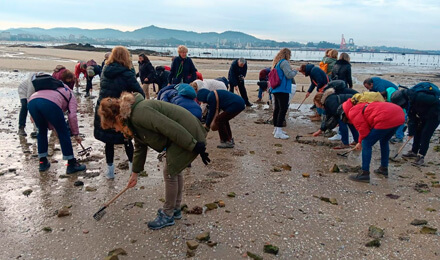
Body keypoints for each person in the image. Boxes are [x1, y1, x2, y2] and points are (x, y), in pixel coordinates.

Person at [98, 92, 209, 230]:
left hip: (187, 131)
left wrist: (193, 145)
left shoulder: (140, 113)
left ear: (117, 117)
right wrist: (135, 173)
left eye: (113, 126)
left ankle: (168, 214)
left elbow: (169, 127)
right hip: (183, 133)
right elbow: (140, 146)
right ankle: (175, 209)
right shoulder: (131, 120)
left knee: (170, 171)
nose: (115, 130)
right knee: (174, 169)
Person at [94, 46, 145, 179]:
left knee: (108, 141)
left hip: (104, 107)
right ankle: (132, 170)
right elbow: (140, 92)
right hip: (118, 110)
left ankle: (110, 172)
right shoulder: (127, 73)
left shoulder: (105, 69)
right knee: (126, 139)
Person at [27, 74, 86, 173]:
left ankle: (43, 162)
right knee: (63, 132)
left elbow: (47, 117)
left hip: (32, 101)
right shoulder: (70, 94)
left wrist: (53, 126)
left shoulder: (51, 88)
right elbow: (72, 116)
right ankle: (71, 164)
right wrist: (76, 134)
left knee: (41, 131)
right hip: (50, 103)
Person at [342, 99, 405, 182]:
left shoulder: (352, 112)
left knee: (366, 143)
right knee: (384, 140)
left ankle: (364, 173)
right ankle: (383, 168)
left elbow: (364, 131)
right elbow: (368, 126)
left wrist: (360, 142)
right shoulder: (362, 105)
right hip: (399, 114)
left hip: (386, 117)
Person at [391, 84, 440, 166]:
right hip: (423, 114)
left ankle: (421, 157)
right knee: (417, 131)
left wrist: (425, 113)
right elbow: (411, 117)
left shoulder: (419, 96)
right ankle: (414, 152)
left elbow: (436, 102)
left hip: (435, 115)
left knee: (425, 134)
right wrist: (411, 132)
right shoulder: (409, 101)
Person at [270, 48, 298, 139]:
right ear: (287, 54)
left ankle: (276, 129)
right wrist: (295, 71)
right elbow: (289, 75)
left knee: (277, 109)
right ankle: (278, 130)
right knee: (283, 109)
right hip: (283, 89)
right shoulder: (284, 62)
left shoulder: (276, 63)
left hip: (275, 89)